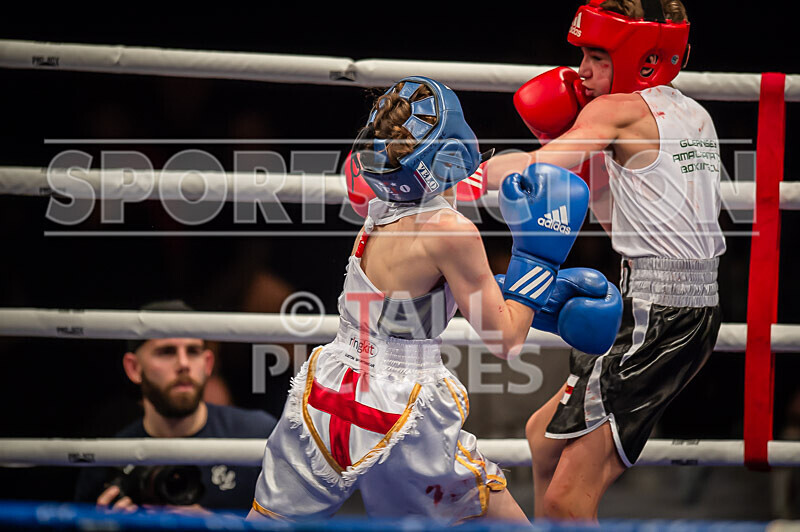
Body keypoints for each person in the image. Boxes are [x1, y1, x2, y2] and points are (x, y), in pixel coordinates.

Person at [248, 76, 619, 524]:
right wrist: (538, 257)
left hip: (328, 390)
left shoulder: (379, 199)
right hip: (404, 409)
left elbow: (418, 292)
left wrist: (529, 293)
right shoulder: (452, 232)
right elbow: (505, 340)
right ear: (455, 145)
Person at [483, 0, 726, 520]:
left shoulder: (613, 111)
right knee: (542, 438)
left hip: (655, 316)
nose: (581, 72)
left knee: (569, 499)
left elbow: (531, 178)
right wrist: (570, 143)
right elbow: (625, 218)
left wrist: (472, 171)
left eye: (597, 57)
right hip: (675, 306)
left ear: (640, 58)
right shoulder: (693, 114)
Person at [74, 300, 277, 514]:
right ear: (133, 368)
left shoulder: (257, 435)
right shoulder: (108, 460)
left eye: (193, 351)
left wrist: (211, 526)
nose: (183, 364)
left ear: (208, 364)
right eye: (167, 351)